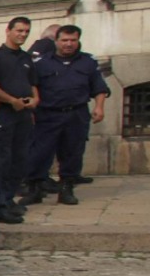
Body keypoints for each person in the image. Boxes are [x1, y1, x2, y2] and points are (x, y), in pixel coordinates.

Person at [23, 26, 111, 206]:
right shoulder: (41, 63)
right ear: (56, 41)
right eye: (64, 40)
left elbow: (99, 87)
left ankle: (66, 189)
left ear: (78, 40)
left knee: (72, 153)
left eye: (73, 40)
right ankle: (35, 189)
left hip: (76, 114)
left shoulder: (87, 62)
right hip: (48, 115)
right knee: (39, 153)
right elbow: (32, 88)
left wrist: (99, 107)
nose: (69, 44)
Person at [0, 17, 39, 213]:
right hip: (5, 114)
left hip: (24, 115)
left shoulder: (26, 58)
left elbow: (33, 83)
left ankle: (10, 197)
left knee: (20, 158)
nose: (23, 35)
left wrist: (34, 99)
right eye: (19, 30)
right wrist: (11, 101)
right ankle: (1, 201)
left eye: (26, 31)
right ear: (8, 31)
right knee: (3, 159)